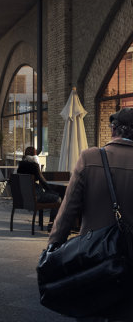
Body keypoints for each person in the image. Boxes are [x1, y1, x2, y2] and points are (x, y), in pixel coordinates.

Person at [49, 106, 133, 322]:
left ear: (114, 130)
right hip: (130, 259)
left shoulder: (90, 158)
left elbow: (68, 211)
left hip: (93, 256)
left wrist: (54, 246)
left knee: (91, 311)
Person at [16, 145, 63, 225]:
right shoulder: (34, 165)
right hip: (36, 196)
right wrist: (52, 190)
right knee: (58, 198)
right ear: (35, 155)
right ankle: (52, 223)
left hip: (25, 197)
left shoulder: (20, 166)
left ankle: (46, 223)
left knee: (52, 194)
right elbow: (42, 181)